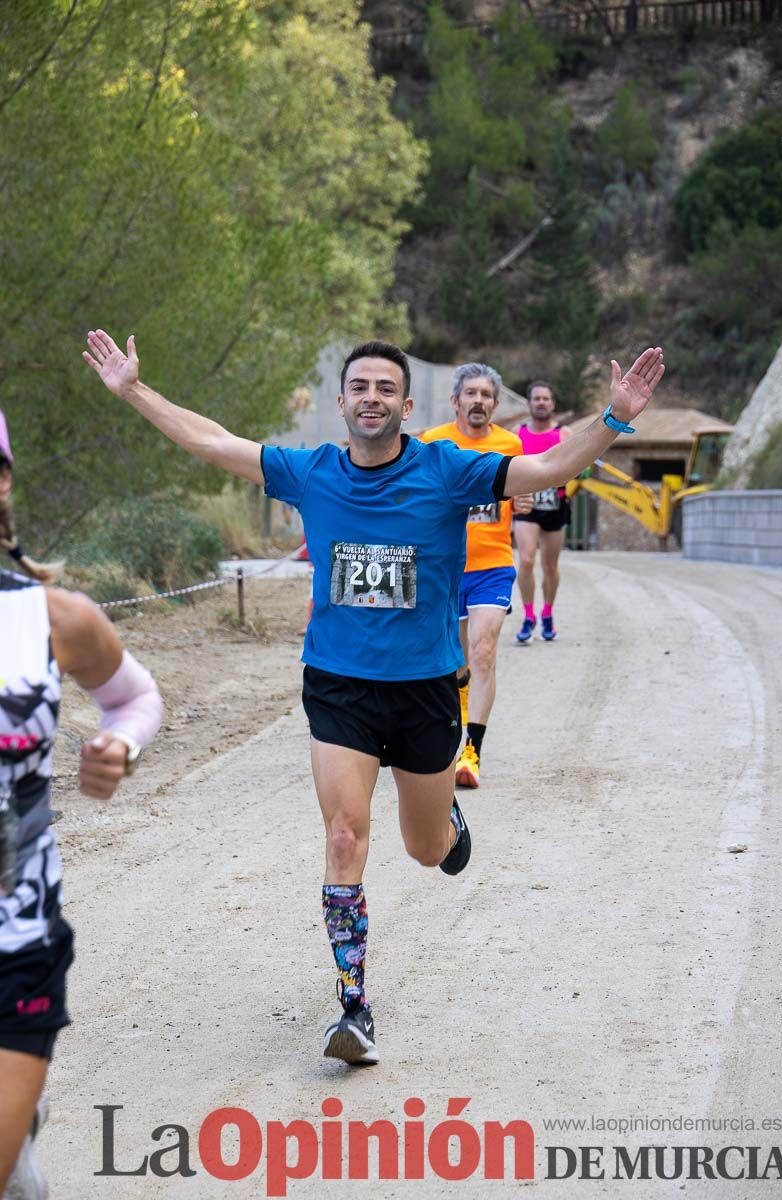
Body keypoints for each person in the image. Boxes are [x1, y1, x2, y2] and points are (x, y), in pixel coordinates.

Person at [83, 329, 664, 1066]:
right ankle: (354, 1007)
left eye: (386, 388)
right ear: (342, 401)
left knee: (427, 852)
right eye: (360, 387)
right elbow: (214, 441)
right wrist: (135, 391)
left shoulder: (449, 469)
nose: (372, 398)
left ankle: (445, 820)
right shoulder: (311, 472)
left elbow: (547, 463)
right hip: (340, 687)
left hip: (424, 689)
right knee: (344, 837)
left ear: (407, 404)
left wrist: (613, 418)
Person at [0, 411, 163, 1200]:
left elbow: (135, 697)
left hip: (15, 937)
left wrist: (119, 747)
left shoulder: (51, 617)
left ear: (2, 484)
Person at [420, 364, 531, 789]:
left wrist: (521, 504)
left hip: (493, 565)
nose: (479, 401)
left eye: (486, 395)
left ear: (496, 404)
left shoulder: (510, 444)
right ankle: (456, 710)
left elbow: (521, 494)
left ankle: (471, 752)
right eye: (471, 394)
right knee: (455, 663)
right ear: (456, 401)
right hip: (444, 569)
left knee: (484, 651)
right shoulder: (433, 441)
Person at [514, 380, 574, 643]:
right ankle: (529, 616)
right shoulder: (518, 434)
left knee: (550, 566)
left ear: (553, 404)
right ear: (529, 404)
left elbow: (576, 466)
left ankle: (547, 612)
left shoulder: (564, 435)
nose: (540, 402)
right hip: (526, 504)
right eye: (536, 398)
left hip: (555, 505)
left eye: (545, 399)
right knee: (526, 560)